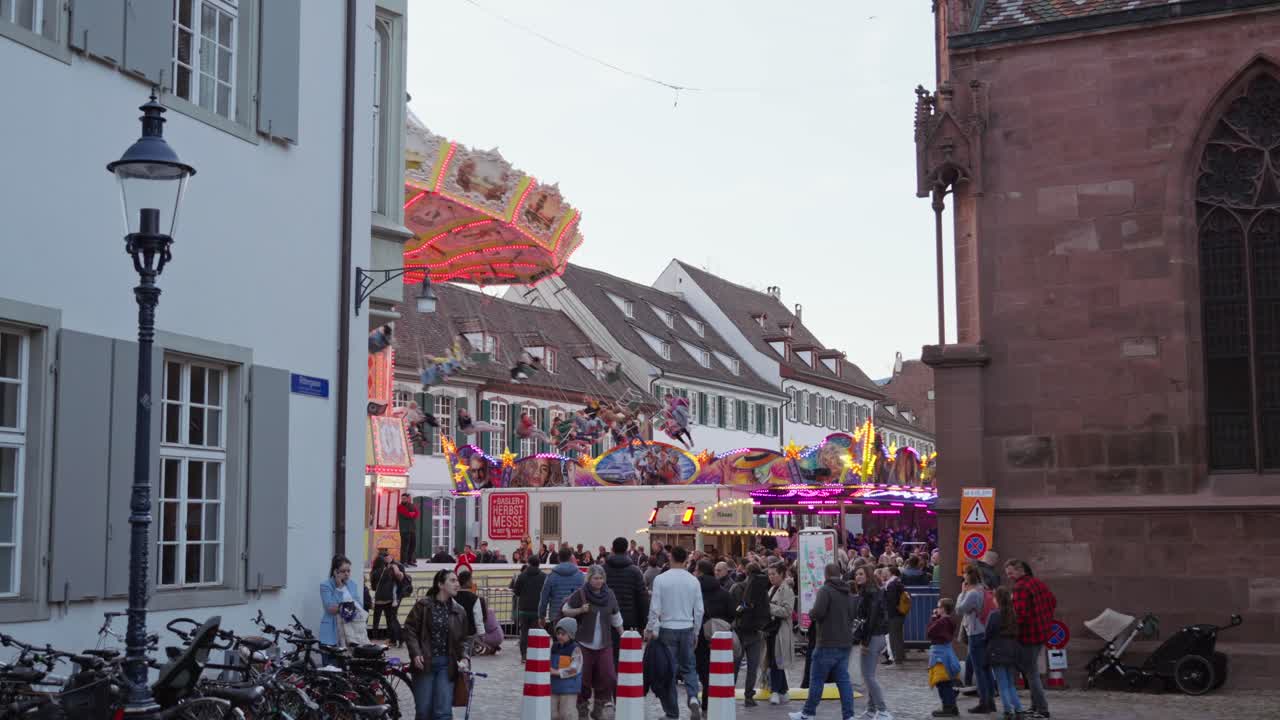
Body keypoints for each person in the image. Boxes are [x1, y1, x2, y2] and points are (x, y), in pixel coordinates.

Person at [789, 563, 855, 720]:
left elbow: (818, 612)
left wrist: (810, 613)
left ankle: (808, 713)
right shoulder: (847, 592)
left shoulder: (825, 590)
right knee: (844, 681)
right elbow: (852, 614)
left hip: (827, 642)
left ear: (825, 575)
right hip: (844, 643)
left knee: (817, 680)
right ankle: (849, 715)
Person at [404, 569, 472, 720]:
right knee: (423, 711)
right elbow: (410, 629)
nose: (457, 584)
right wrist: (415, 653)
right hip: (424, 664)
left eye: (457, 581)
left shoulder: (459, 610)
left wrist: (465, 657)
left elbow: (463, 640)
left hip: (447, 665)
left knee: (443, 713)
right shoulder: (423, 605)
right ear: (440, 584)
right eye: (452, 581)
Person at [646, 545, 704, 720]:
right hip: (686, 627)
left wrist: (650, 628)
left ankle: (672, 712)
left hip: (667, 628)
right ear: (686, 560)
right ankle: (693, 696)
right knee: (689, 667)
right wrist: (696, 631)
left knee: (667, 672)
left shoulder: (661, 580)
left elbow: (655, 608)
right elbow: (699, 610)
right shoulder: (693, 581)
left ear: (670, 558)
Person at [562, 565, 624, 720]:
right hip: (584, 643)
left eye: (601, 578)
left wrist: (624, 636)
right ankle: (582, 709)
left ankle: (599, 706)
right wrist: (580, 610)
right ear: (589, 579)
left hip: (604, 643)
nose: (599, 581)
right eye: (596, 578)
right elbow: (565, 610)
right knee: (583, 678)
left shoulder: (609, 595)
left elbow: (616, 617)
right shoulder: (581, 593)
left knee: (609, 676)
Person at [1006, 559, 1055, 720]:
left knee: (1031, 673)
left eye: (1011, 572)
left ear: (1021, 570)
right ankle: (1035, 707)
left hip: (1028, 634)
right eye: (1007, 573)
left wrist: (1009, 627)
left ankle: (1042, 709)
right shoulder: (1038, 583)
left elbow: (1021, 614)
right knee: (1031, 671)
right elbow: (1052, 601)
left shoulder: (1020, 587)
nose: (1009, 576)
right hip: (1042, 632)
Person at [694, 559, 734, 710]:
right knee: (719, 669)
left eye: (696, 570)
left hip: (700, 636)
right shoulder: (723, 591)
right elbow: (733, 613)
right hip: (720, 637)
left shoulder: (696, 590)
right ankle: (716, 701)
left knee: (702, 669)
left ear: (701, 572)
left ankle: (704, 701)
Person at [852, 565, 891, 720]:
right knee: (870, 675)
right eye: (856, 574)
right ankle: (871, 710)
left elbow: (871, 620)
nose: (858, 576)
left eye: (861, 574)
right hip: (876, 636)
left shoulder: (871, 593)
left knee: (868, 676)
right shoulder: (869, 592)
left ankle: (882, 710)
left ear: (868, 575)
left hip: (873, 637)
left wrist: (865, 642)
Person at [956, 566, 997, 714]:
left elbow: (959, 609)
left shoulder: (972, 593)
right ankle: (990, 701)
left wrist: (962, 593)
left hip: (976, 633)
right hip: (985, 631)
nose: (963, 577)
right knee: (986, 668)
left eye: (964, 574)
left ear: (969, 576)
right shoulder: (983, 589)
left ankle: (984, 702)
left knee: (979, 669)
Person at [733, 562, 771, 707]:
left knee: (735, 665)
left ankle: (729, 692)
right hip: (755, 632)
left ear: (745, 572)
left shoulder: (738, 587)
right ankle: (749, 696)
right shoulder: (762, 589)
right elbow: (766, 610)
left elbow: (733, 608)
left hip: (740, 631)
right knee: (752, 666)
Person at [985, 587, 1025, 719]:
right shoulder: (1013, 614)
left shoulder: (994, 615)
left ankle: (1008, 709)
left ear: (998, 599)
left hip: (997, 651)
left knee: (1002, 683)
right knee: (1010, 683)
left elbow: (988, 633)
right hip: (1011, 651)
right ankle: (1018, 708)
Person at [764, 563, 795, 706]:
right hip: (771, 631)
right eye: (769, 574)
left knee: (777, 661)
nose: (771, 577)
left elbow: (787, 611)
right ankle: (783, 690)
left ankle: (775, 691)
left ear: (782, 574)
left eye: (774, 574)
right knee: (774, 660)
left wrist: (768, 607)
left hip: (780, 631)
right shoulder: (771, 589)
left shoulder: (786, 590)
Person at [605, 537, 649, 634]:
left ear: (612, 549)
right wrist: (643, 623)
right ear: (626, 549)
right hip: (629, 619)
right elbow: (642, 598)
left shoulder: (603, 570)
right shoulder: (635, 571)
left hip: (606, 618)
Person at [926, 598, 962, 717]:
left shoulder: (942, 621)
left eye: (938, 607)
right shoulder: (949, 620)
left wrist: (933, 618)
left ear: (943, 608)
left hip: (940, 655)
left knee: (942, 682)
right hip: (946, 651)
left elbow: (929, 632)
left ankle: (948, 707)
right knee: (945, 681)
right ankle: (952, 706)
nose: (937, 609)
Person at [319, 555, 363, 648]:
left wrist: (346, 607)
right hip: (331, 633)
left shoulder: (352, 584)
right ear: (335, 572)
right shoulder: (326, 586)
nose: (347, 574)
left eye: (348, 571)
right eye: (343, 571)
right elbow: (331, 608)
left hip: (350, 633)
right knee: (330, 662)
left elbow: (359, 606)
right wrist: (339, 588)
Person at [540, 547, 586, 628]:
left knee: (558, 639)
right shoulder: (580, 575)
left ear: (558, 558)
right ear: (570, 557)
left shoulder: (551, 576)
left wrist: (541, 616)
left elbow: (544, 597)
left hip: (556, 616)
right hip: (575, 616)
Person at [513, 557, 547, 662]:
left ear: (528, 563)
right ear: (539, 564)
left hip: (524, 609)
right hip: (537, 609)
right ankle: (534, 655)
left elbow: (516, 591)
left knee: (524, 633)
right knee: (536, 633)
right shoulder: (544, 577)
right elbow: (546, 592)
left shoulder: (522, 576)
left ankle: (524, 655)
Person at [550, 617, 585, 720]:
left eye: (563, 634)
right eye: (558, 633)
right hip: (554, 687)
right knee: (552, 713)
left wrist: (557, 672)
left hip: (569, 688)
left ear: (570, 634)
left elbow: (575, 669)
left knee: (567, 713)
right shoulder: (554, 647)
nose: (560, 636)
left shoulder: (575, 649)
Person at [370, 550, 405, 647]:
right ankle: (392, 638)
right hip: (389, 599)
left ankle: (374, 638)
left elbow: (373, 587)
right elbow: (398, 578)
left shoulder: (373, 573)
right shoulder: (389, 570)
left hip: (378, 599)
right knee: (390, 620)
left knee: (376, 620)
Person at [883, 566, 908, 666]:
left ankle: (896, 659)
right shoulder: (897, 583)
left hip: (894, 614)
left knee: (894, 637)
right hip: (899, 613)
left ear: (891, 573)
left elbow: (891, 601)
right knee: (898, 635)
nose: (884, 573)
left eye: (886, 571)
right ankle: (900, 656)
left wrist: (888, 612)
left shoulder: (892, 585)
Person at [398, 495, 420, 565]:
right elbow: (406, 514)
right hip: (404, 529)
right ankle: (403, 561)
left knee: (412, 545)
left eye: (405, 498)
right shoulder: (400, 506)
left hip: (412, 529)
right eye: (402, 498)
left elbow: (417, 514)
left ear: (408, 499)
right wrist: (411, 514)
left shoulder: (412, 506)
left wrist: (411, 514)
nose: (403, 500)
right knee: (405, 546)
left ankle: (409, 561)